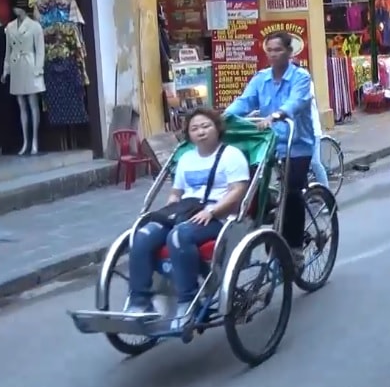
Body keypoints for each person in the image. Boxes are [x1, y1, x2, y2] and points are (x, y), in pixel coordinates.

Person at [126, 108, 250, 325]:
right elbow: (176, 192)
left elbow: (237, 190)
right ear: (189, 134)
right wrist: (170, 209)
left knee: (178, 236)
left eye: (205, 126)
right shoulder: (186, 159)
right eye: (195, 128)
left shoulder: (232, 155)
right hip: (185, 212)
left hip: (217, 217)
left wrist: (211, 211)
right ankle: (139, 301)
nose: (200, 132)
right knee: (143, 234)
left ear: (217, 128)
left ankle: (187, 301)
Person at [225, 30, 315, 267]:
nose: (274, 55)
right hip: (267, 144)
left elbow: (295, 102)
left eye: (278, 50)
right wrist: (221, 119)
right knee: (250, 185)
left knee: (293, 191)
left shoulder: (301, 77)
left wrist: (276, 115)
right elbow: (244, 102)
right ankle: (267, 216)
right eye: (270, 50)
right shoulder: (260, 79)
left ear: (289, 52)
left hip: (296, 144)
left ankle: (295, 248)